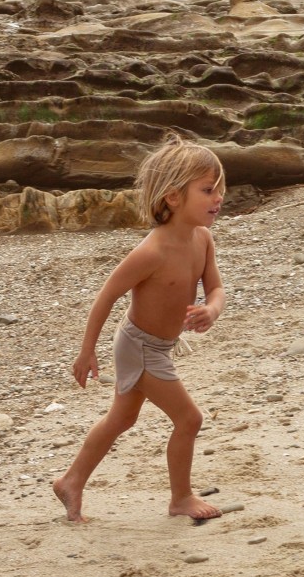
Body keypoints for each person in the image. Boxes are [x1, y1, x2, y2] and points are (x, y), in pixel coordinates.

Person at [53, 133, 227, 523]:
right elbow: (106, 296)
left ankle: (71, 480)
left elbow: (215, 288)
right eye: (208, 190)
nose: (218, 198)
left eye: (220, 189)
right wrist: (86, 351)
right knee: (189, 419)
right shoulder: (152, 251)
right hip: (140, 347)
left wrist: (211, 310)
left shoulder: (203, 239)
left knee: (122, 418)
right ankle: (181, 498)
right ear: (173, 198)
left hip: (156, 346)